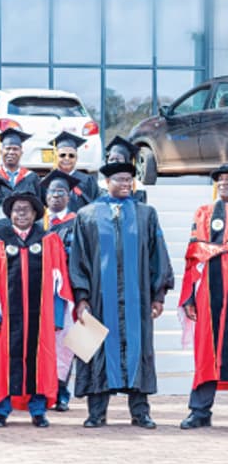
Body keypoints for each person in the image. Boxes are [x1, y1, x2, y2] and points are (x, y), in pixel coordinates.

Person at [66, 160, 172, 428]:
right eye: (120, 180)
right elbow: (78, 258)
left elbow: (158, 254)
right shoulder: (87, 215)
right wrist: (81, 297)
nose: (126, 184)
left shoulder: (146, 214)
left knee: (139, 351)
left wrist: (158, 295)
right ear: (107, 182)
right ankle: (96, 413)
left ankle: (141, 412)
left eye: (129, 179)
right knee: (96, 349)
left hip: (137, 300)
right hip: (100, 299)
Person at [0, 189, 69, 428]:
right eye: (17, 210)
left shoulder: (49, 240)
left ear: (36, 213)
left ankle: (38, 411)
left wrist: (57, 317)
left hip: (41, 317)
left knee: (40, 360)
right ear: (10, 214)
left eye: (27, 210)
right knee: (3, 362)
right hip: (6, 318)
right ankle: (1, 410)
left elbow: (60, 282)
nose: (22, 214)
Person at [180, 165, 228, 429]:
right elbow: (192, 252)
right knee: (206, 353)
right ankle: (199, 411)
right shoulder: (205, 213)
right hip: (210, 295)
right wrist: (188, 297)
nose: (223, 183)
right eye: (220, 180)